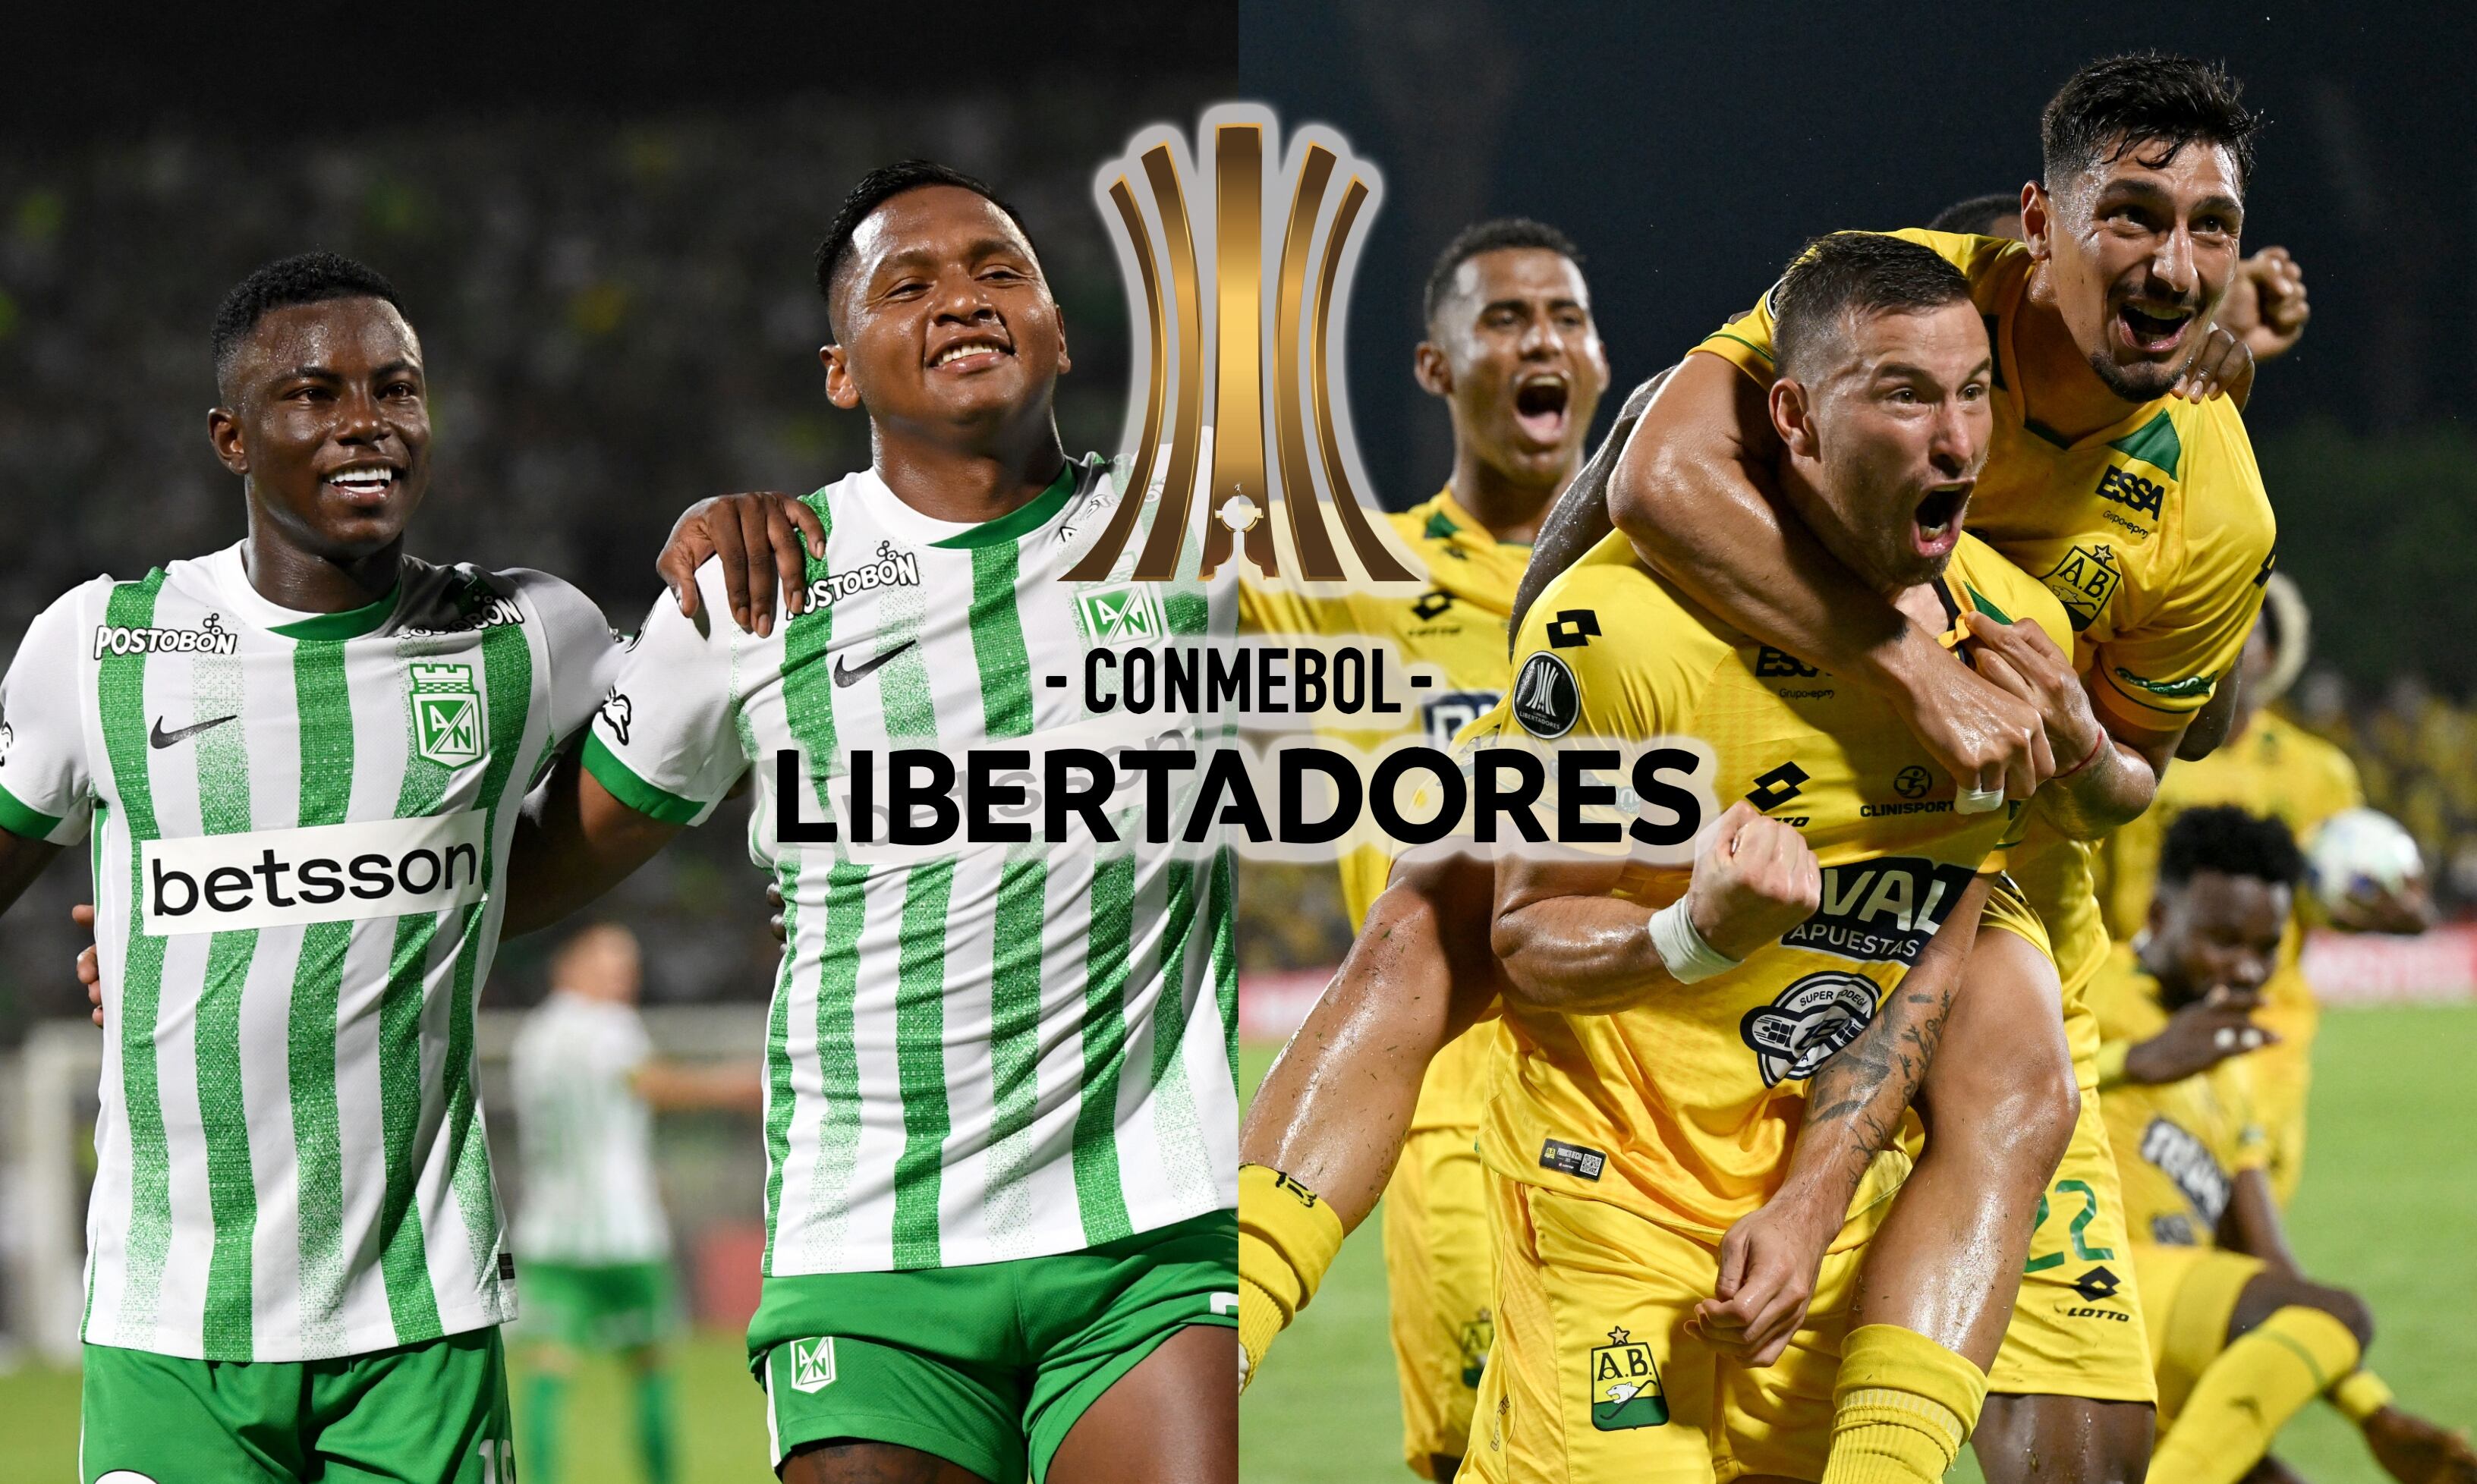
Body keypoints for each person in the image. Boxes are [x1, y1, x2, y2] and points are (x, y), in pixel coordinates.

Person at [1503, 52, 2283, 1481]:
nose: (2173, 261)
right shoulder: (1895, 295)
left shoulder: (2216, 500)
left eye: (2210, 229)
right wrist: (1904, 670)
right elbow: (1656, 474)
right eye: (2129, 215)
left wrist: (2079, 741)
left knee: (2076, 1457)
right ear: (2034, 230)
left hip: (1995, 914)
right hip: (1779, 861)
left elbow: (2137, 779)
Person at [512, 161, 1240, 1484]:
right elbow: (533, 868)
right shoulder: (754, 585)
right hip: (868, 1245)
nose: (961, 297)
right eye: (907, 285)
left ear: (1060, 331)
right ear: (840, 370)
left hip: (1143, 1233)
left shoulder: (1197, 537)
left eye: (997, 270)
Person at [1, 253, 629, 1483]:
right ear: (232, 438)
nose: (365, 424)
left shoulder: (523, 635)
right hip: (171, 1326)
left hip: (419, 1322)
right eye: (314, 394)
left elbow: (698, 739)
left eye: (396, 389)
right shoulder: (104, 646)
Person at [1464, 231, 2081, 1484]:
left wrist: (1808, 1202)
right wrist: (1694, 929)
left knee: (2021, 1029)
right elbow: (1522, 942)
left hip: (1810, 1221)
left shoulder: (2009, 646)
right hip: (1611, 1205)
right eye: (1902, 395)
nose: (1954, 441)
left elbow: (1922, 958)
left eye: (1971, 394)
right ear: (1790, 416)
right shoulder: (1617, 627)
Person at [1235, 216, 1609, 1482]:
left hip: (1648, 1094)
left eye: (1565, 316)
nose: (1543, 339)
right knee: (1469, 1455)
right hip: (1451, 1094)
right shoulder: (1351, 576)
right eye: (1503, 318)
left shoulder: (1675, 586)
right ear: (1433, 366)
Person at [2091, 806, 2476, 1484]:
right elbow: (1980, 1079)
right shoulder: (2097, 988)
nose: (2244, 969)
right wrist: (2134, 1059)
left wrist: (2372, 1414)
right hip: (2086, 1287)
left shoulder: (2233, 1062)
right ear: (2157, 916)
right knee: (2344, 1311)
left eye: (2265, 948)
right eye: (2220, 939)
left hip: (2172, 1331)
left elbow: (2266, 1257)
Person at [2095, 574, 2432, 1206]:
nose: (2229, 648)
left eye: (2245, 635)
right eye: (2215, 630)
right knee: (2136, 1205)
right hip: (2134, 1004)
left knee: (2246, 1205)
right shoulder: (2137, 749)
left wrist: (2393, 913)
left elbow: (2342, 895)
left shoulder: (2318, 773)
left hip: (2266, 1020)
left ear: (2273, 654)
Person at [510, 921, 760, 1484]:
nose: (624, 979)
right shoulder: (610, 1026)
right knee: (650, 1364)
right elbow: (650, 1085)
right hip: (624, 1231)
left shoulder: (534, 1034)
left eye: (628, 968)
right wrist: (732, 1087)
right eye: (609, 965)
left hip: (549, 1230)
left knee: (550, 1366)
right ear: (569, 968)